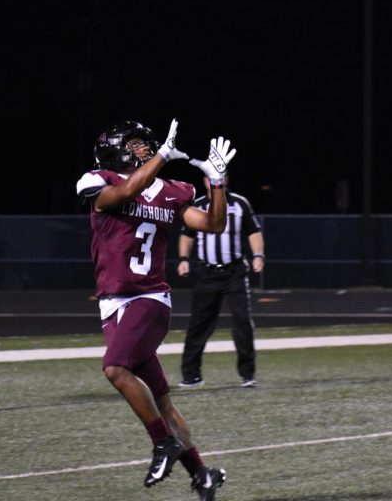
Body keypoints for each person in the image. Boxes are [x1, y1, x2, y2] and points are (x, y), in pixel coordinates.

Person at [75, 118, 234, 500]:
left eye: (145, 144)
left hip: (149, 298)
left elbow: (213, 223)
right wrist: (162, 156)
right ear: (114, 149)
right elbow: (126, 191)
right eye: (134, 143)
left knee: (115, 368)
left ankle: (163, 444)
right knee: (161, 400)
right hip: (115, 304)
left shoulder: (173, 190)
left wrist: (218, 183)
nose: (143, 148)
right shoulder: (97, 181)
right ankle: (202, 474)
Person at [176, 173, 264, 388]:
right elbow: (187, 234)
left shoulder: (239, 203)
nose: (214, 180)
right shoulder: (197, 204)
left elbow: (253, 231)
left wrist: (258, 255)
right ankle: (191, 375)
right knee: (199, 324)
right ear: (204, 181)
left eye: (220, 176)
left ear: (226, 179)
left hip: (234, 271)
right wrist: (184, 259)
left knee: (242, 322)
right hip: (207, 273)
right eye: (209, 177)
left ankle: (247, 374)